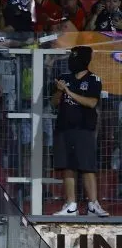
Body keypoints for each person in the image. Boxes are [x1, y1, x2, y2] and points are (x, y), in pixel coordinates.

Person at [52, 47, 108, 217]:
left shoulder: (93, 80)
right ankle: (71, 205)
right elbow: (54, 103)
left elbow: (91, 103)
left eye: (75, 58)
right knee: (68, 166)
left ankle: (93, 205)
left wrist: (69, 91)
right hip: (64, 128)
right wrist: (60, 91)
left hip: (84, 128)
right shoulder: (63, 78)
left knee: (87, 167)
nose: (72, 61)